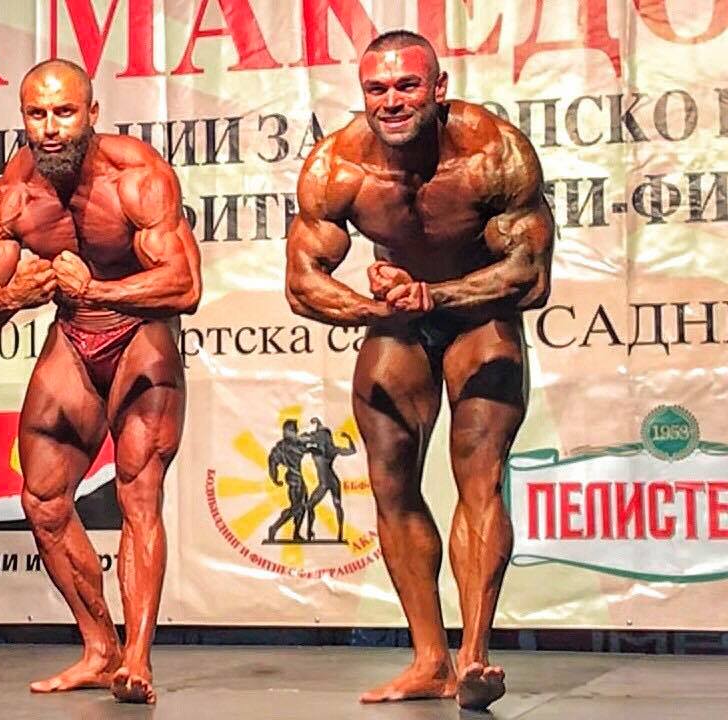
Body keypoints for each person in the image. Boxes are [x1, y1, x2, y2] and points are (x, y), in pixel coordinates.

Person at [283, 31, 554, 710]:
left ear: (438, 88)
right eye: (377, 88)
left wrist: (435, 295)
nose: (392, 101)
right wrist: (375, 307)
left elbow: (530, 274)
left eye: (407, 85)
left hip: (478, 311)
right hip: (401, 316)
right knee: (391, 484)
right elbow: (302, 283)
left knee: (480, 474)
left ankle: (475, 657)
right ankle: (431, 659)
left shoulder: (492, 151)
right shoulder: (336, 166)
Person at [0, 59, 201, 704]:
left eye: (64, 112)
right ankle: (100, 648)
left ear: (92, 113)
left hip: (140, 332)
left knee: (138, 492)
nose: (50, 127)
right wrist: (14, 295)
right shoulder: (14, 193)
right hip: (73, 334)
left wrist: (96, 290)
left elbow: (184, 286)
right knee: (42, 500)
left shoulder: (137, 177)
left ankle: (138, 660)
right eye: (37, 114)